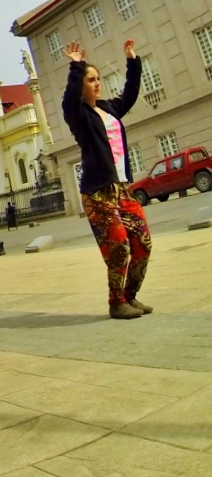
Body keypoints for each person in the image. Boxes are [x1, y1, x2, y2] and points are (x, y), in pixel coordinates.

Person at [62, 39, 153, 320]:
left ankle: (130, 296)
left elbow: (130, 93)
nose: (97, 83)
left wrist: (132, 60)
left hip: (122, 188)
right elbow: (68, 99)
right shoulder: (79, 115)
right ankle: (116, 303)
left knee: (142, 243)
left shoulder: (109, 109)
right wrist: (76, 66)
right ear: (82, 85)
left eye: (98, 78)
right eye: (91, 80)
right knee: (118, 245)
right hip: (97, 191)